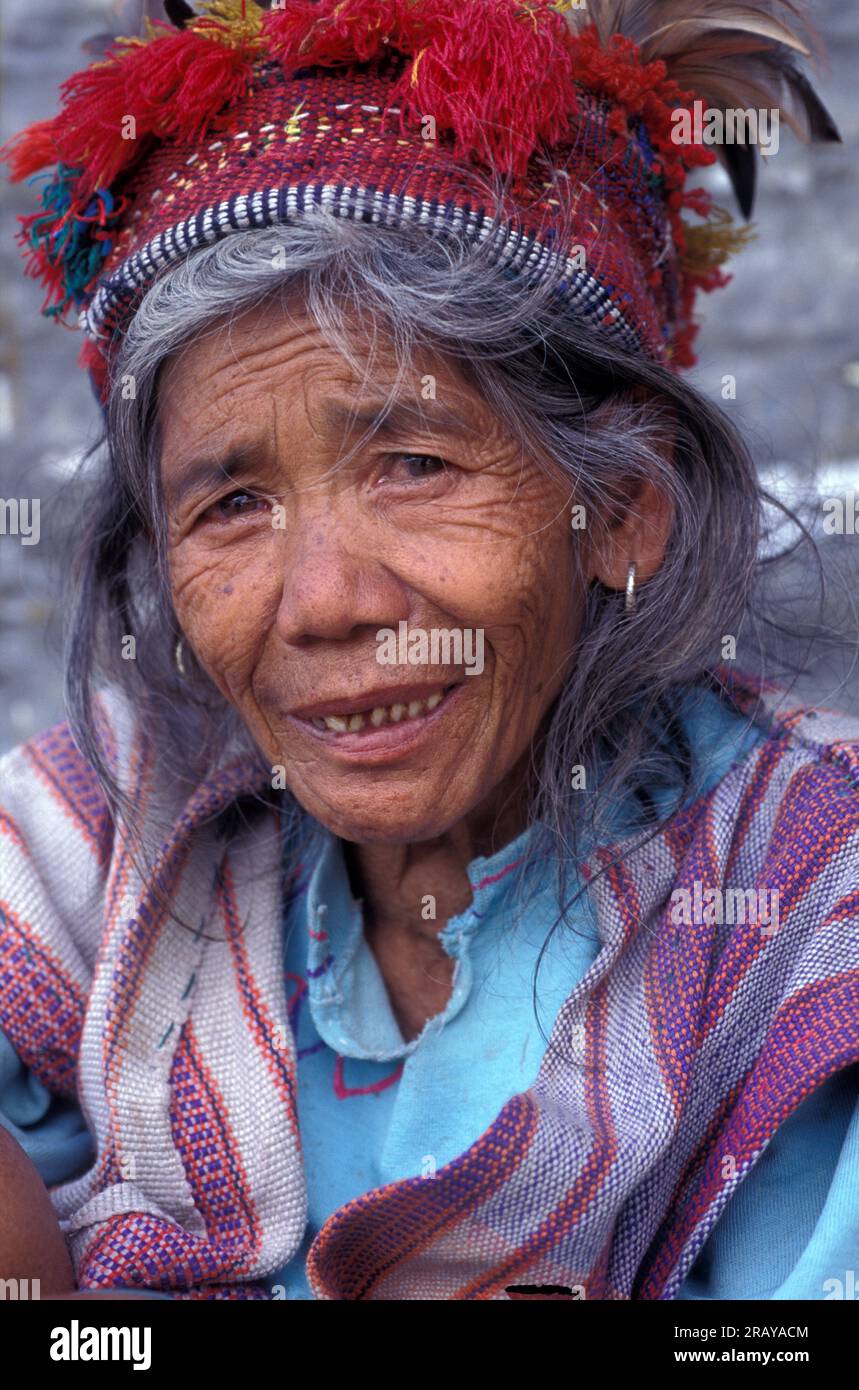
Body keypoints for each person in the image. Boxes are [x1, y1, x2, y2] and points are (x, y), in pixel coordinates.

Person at [0, 0, 856, 1301]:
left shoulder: (804, 903)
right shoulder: (101, 839)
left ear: (622, 506)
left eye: (412, 461)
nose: (323, 601)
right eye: (231, 505)